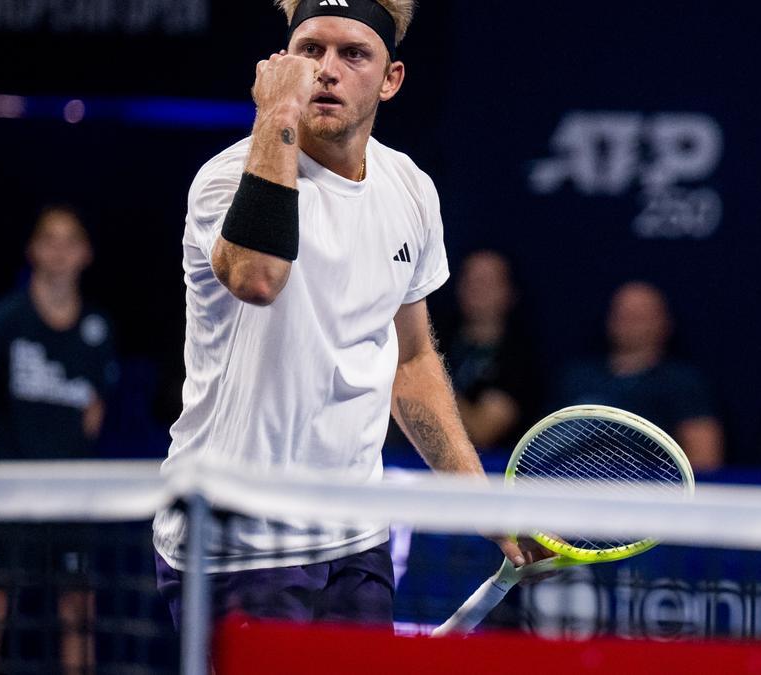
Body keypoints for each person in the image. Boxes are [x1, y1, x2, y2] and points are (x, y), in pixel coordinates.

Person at [151, 0, 548, 632]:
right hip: (237, 542)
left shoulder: (411, 189)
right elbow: (258, 277)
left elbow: (412, 361)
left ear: (390, 79)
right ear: (280, 63)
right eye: (310, 51)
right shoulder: (225, 180)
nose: (326, 71)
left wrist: (484, 506)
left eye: (353, 54)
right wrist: (277, 111)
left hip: (355, 540)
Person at [0, 206, 117, 675]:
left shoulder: (98, 329)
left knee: (79, 609)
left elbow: (94, 409)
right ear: (33, 250)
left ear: (85, 254)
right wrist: (5, 462)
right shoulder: (5, 318)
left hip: (70, 495)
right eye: (50, 239)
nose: (60, 250)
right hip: (7, 491)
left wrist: (61, 458)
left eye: (71, 240)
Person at [556, 281, 725, 471]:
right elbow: (544, 443)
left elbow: (705, 458)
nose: (628, 322)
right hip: (573, 490)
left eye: (639, 316)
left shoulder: (683, 382)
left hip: (647, 493)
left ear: (665, 323)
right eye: (622, 314)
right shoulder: (578, 376)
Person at [440, 249, 541, 450]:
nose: (476, 288)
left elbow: (482, 432)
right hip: (411, 463)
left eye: (487, 281)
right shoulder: (436, 338)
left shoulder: (519, 358)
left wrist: (422, 375)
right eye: (469, 279)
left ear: (510, 292)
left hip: (491, 472)